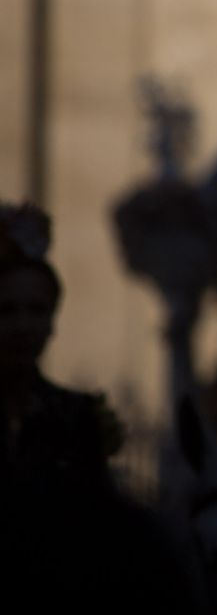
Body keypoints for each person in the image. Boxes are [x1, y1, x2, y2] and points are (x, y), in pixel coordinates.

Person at [0, 201, 123, 498]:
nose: (23, 326)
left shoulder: (77, 415)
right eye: (8, 310)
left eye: (36, 311)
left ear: (52, 322)